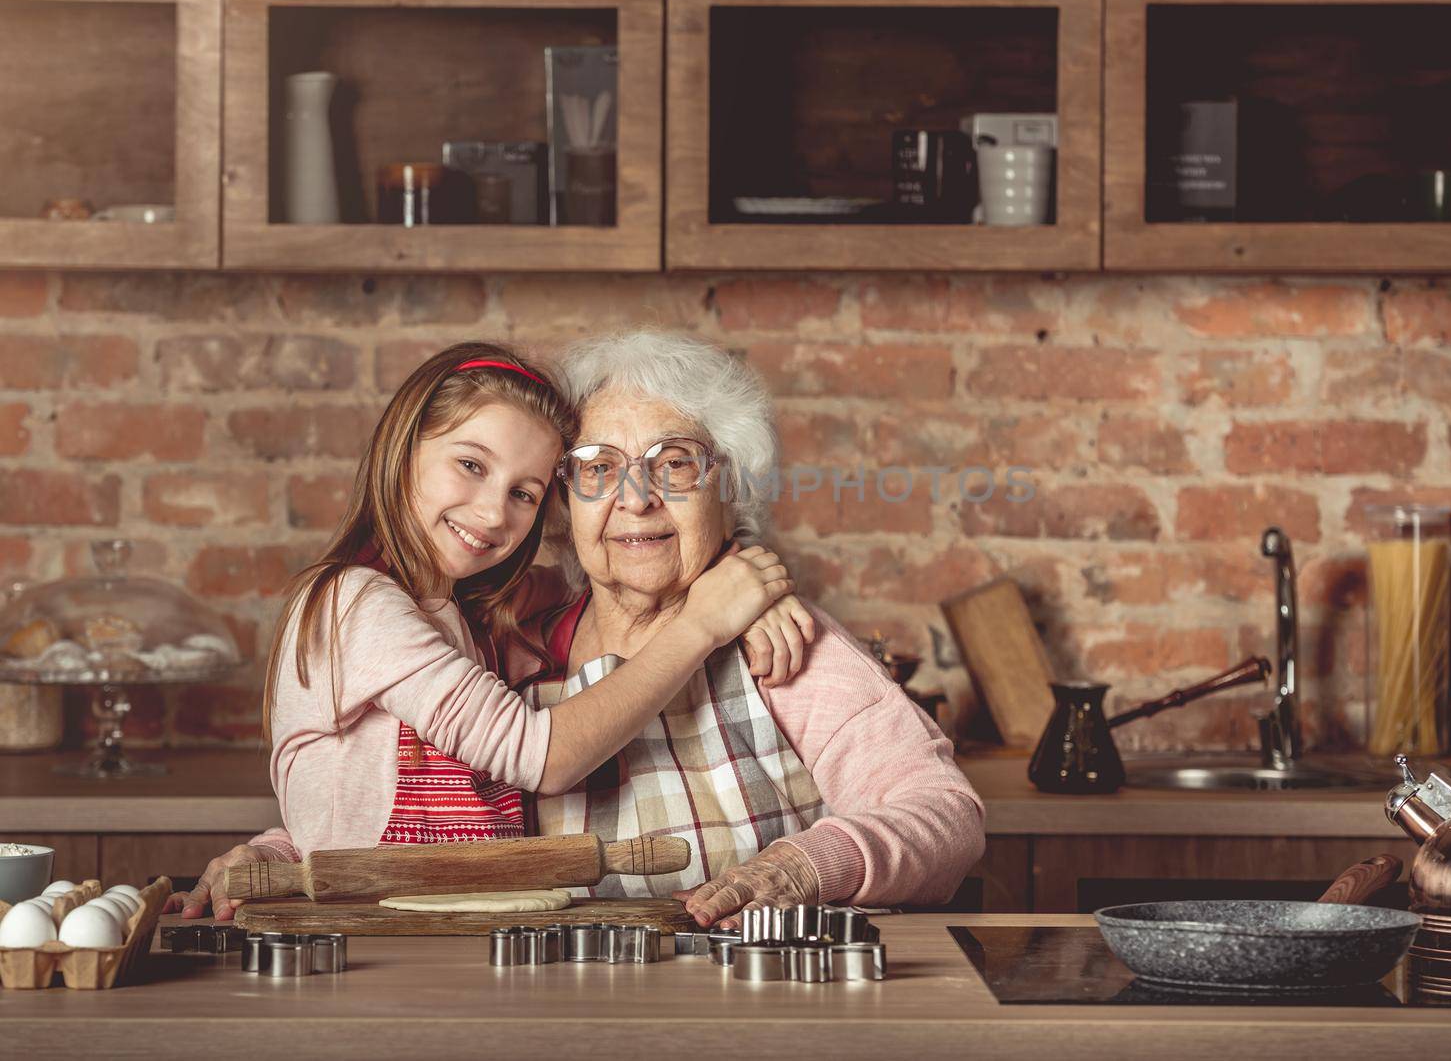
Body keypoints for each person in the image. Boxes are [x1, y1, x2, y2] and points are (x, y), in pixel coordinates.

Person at [167, 341, 809, 920]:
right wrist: (704, 621)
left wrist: (736, 570)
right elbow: (541, 756)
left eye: (525, 493)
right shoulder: (354, 603)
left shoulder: (478, 611)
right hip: (362, 934)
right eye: (471, 465)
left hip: (454, 933)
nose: (492, 511)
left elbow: (637, 567)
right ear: (403, 446)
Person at [525, 330, 985, 927]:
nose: (636, 500)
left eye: (675, 464)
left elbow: (946, 816)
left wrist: (804, 866)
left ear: (730, 486)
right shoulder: (520, 646)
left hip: (762, 998)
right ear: (563, 498)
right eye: (598, 467)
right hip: (566, 1001)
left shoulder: (782, 644)